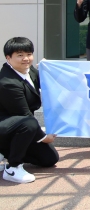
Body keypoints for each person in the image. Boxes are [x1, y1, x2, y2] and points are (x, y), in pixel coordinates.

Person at [0, 38, 58, 184]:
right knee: (29, 123)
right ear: (8, 58)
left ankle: (4, 151)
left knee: (49, 159)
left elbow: (48, 82)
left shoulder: (28, 70)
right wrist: (44, 138)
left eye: (29, 54)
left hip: (17, 127)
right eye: (20, 55)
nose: (26, 59)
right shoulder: (7, 83)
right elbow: (24, 115)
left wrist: (47, 68)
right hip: (7, 126)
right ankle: (13, 168)